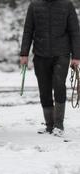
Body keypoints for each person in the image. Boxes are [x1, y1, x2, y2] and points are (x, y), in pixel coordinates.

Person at [20, 0, 80, 136]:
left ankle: (59, 125)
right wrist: (24, 53)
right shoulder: (34, 5)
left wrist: (76, 56)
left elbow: (75, 31)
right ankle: (49, 124)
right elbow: (28, 30)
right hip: (40, 55)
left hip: (62, 54)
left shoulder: (67, 5)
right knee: (44, 89)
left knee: (59, 85)